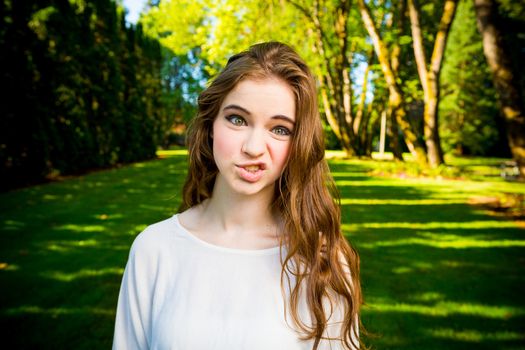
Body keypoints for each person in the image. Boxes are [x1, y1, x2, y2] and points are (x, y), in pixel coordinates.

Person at [112, 41, 363, 350]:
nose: (254, 147)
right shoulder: (154, 249)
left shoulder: (321, 259)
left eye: (280, 129)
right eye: (237, 119)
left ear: (298, 144)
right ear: (211, 125)